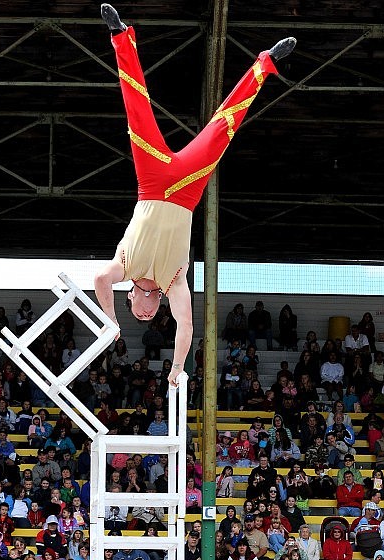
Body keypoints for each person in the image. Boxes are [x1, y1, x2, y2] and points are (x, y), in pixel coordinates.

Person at [94, 5, 296, 387]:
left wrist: (110, 322)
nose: (145, 316)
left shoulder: (124, 269)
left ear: (132, 300)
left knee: (136, 111)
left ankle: (120, 37)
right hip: (186, 191)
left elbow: (100, 281)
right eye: (149, 318)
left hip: (151, 183)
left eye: (138, 314)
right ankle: (264, 63)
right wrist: (175, 369)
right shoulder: (175, 284)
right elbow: (186, 326)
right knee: (224, 127)